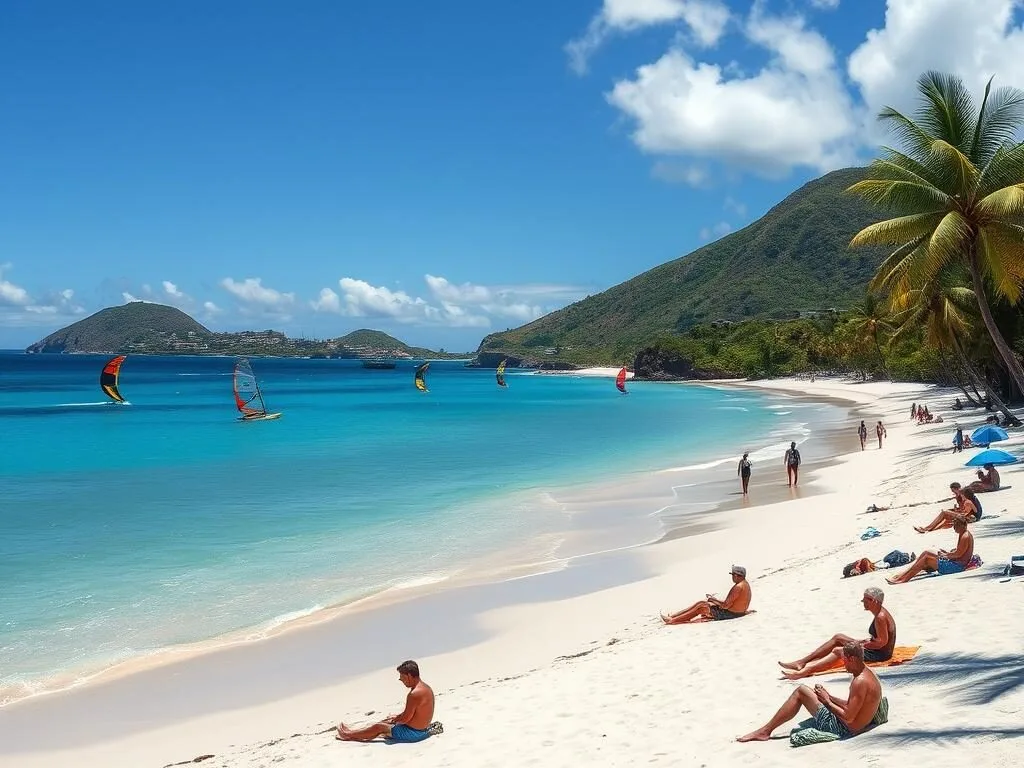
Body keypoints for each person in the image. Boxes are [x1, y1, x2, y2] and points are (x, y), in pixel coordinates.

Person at [738, 642, 884, 743]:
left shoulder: (859, 682)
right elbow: (852, 706)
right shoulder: (868, 674)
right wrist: (829, 697)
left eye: (844, 661)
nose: (843, 664)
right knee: (812, 693)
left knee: (801, 691)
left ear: (852, 659)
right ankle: (765, 730)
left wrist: (826, 701)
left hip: (845, 729)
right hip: (857, 725)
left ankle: (765, 731)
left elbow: (849, 717)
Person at [778, 587, 895, 679]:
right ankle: (802, 662)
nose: (862, 601)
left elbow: (882, 643)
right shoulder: (879, 613)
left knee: (838, 650)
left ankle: (806, 671)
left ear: (874, 601)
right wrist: (864, 641)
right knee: (838, 637)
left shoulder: (880, 617)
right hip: (875, 648)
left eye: (865, 599)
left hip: (880, 654)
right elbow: (880, 639)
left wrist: (861, 645)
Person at [336, 660, 437, 743]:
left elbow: (405, 719)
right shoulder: (425, 688)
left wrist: (396, 720)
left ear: (410, 675)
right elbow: (414, 712)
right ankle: (355, 732)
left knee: (378, 727)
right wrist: (396, 718)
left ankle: (348, 735)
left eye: (403, 678)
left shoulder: (414, 694)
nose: (402, 681)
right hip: (422, 730)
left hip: (414, 734)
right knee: (387, 721)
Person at [887, 514, 974, 585]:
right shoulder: (963, 533)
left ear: (962, 525)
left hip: (957, 567)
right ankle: (902, 574)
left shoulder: (965, 536)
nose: (954, 528)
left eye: (956, 526)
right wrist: (947, 553)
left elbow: (958, 555)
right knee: (925, 553)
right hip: (957, 564)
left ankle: (903, 579)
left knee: (926, 558)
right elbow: (959, 552)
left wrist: (944, 555)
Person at [661, 565, 751, 624]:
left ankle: (673, 620)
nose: (732, 577)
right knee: (701, 603)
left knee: (702, 608)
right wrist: (714, 600)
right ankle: (674, 616)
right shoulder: (745, 584)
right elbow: (730, 603)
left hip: (731, 614)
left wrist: (712, 600)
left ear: (737, 576)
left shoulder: (738, 587)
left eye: (733, 575)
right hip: (736, 612)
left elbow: (725, 606)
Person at [914, 482, 982, 533]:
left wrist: (955, 511)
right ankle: (929, 529)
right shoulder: (965, 498)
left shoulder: (967, 500)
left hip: (970, 517)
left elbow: (966, 512)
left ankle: (927, 529)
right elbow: (968, 510)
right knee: (946, 517)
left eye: (953, 491)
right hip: (971, 516)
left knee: (944, 513)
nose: (953, 492)